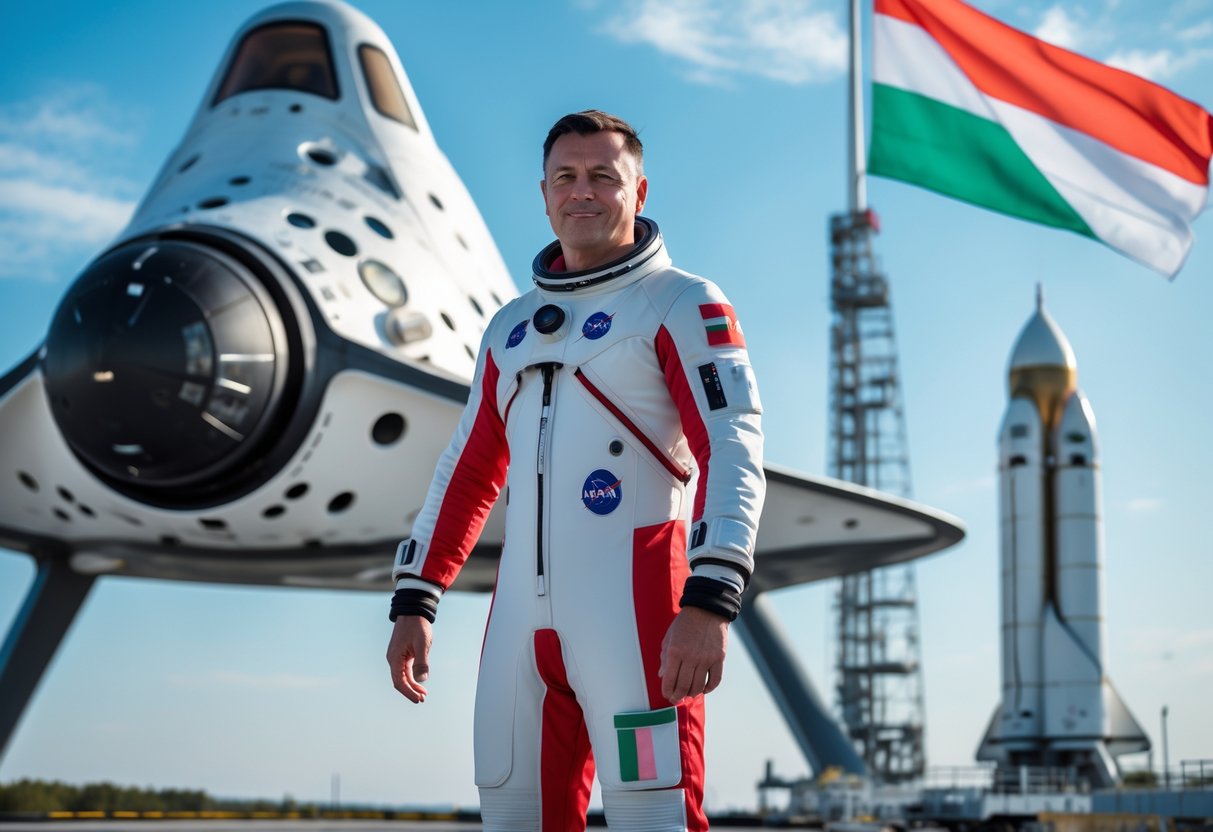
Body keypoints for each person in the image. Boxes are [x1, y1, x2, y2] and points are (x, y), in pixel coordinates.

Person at [386, 110, 765, 831]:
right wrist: (416, 599)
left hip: (642, 621)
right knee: (513, 816)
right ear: (544, 193)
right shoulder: (509, 328)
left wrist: (711, 600)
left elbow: (733, 440)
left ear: (639, 191)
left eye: (602, 176)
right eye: (566, 177)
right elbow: (467, 472)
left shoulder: (683, 303)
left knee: (655, 819)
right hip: (516, 636)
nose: (581, 192)